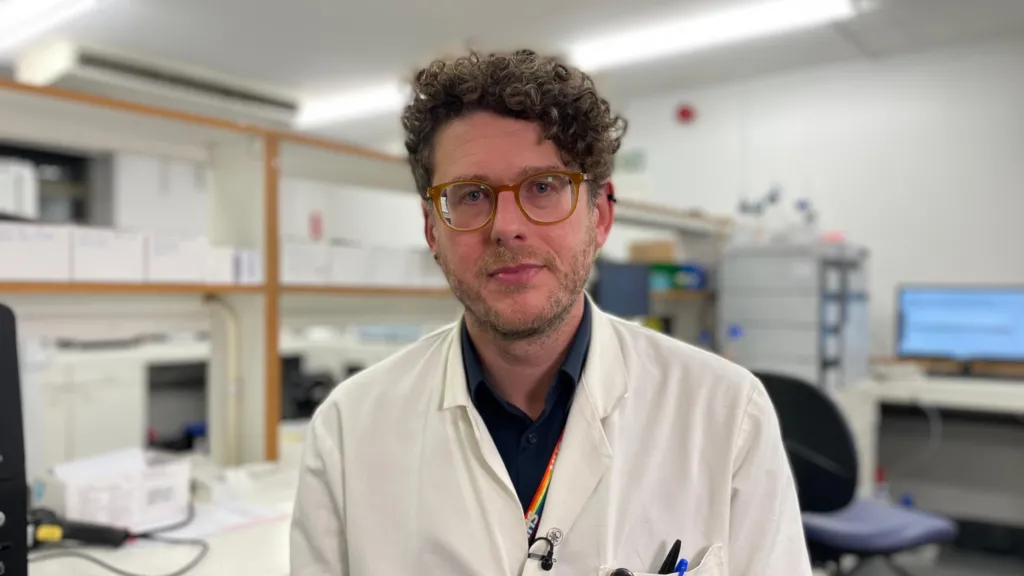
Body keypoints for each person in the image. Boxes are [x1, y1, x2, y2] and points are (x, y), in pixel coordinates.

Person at [290, 49, 811, 575]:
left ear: (600, 216)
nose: (506, 226)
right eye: (471, 195)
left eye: (543, 187)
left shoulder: (725, 412)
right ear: (432, 231)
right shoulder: (349, 428)